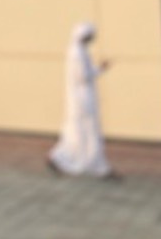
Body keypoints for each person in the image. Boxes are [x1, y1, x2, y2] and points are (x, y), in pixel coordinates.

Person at [47, 22, 117, 179]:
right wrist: (101, 69)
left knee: (78, 132)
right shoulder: (77, 53)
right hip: (82, 100)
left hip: (81, 98)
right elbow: (83, 76)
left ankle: (64, 159)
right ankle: (94, 166)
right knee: (85, 131)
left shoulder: (79, 51)